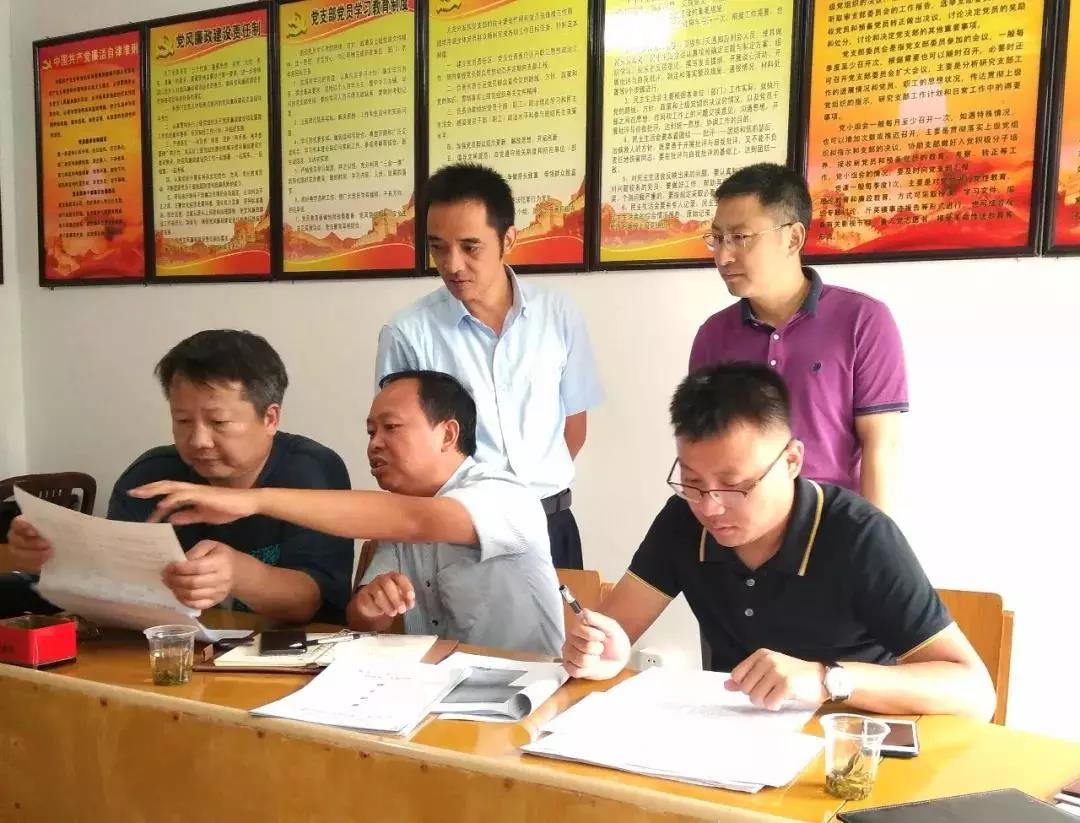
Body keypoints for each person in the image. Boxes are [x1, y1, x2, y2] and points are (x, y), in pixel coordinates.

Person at [562, 363, 995, 720]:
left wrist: (826, 679)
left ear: (791, 460)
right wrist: (602, 651)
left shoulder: (859, 536)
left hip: (845, 746)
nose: (710, 507)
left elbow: (974, 692)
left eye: (735, 486)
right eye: (692, 482)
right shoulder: (683, 519)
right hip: (732, 742)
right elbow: (616, 631)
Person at [128, 370, 564, 656]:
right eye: (370, 432)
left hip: (526, 691)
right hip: (435, 689)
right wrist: (375, 607)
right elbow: (359, 619)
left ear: (448, 434)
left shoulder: (503, 496)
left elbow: (418, 520)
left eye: (391, 428)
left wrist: (254, 499)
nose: (374, 444)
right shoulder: (392, 519)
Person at [3, 330, 353, 624]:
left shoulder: (312, 472)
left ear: (270, 418)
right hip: (163, 656)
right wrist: (56, 557)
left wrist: (240, 574)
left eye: (219, 422)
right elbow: (113, 589)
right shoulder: (149, 477)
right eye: (183, 421)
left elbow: (311, 601)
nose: (198, 440)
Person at [375, 163, 603, 569]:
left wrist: (523, 500)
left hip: (551, 524)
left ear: (508, 239)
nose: (452, 264)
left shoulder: (558, 315)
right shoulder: (408, 333)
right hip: (459, 535)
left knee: (568, 614)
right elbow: (399, 450)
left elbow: (574, 426)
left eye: (470, 247)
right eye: (438, 247)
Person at [689, 163, 907, 514]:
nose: (723, 256)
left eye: (740, 238)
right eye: (717, 238)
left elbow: (880, 448)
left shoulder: (862, 321)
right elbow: (702, 450)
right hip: (740, 525)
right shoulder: (713, 335)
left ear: (793, 238)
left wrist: (872, 539)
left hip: (830, 522)